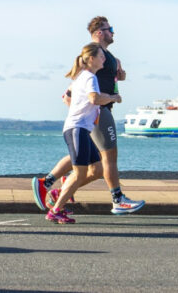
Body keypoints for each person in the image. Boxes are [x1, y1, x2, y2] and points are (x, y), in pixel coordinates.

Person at [32, 17, 145, 215]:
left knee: (93, 167)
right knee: (109, 158)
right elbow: (70, 91)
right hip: (100, 113)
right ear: (99, 32)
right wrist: (84, 112)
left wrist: (118, 72)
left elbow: (110, 79)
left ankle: (53, 184)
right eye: (110, 29)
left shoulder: (108, 57)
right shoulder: (93, 54)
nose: (113, 32)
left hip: (96, 115)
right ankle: (117, 199)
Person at [46, 42, 121, 224]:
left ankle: (60, 193)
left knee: (97, 169)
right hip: (76, 129)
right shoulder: (89, 77)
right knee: (80, 173)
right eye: (101, 56)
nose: (104, 58)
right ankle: (56, 210)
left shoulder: (82, 77)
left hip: (82, 129)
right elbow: (94, 98)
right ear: (91, 59)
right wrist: (112, 97)